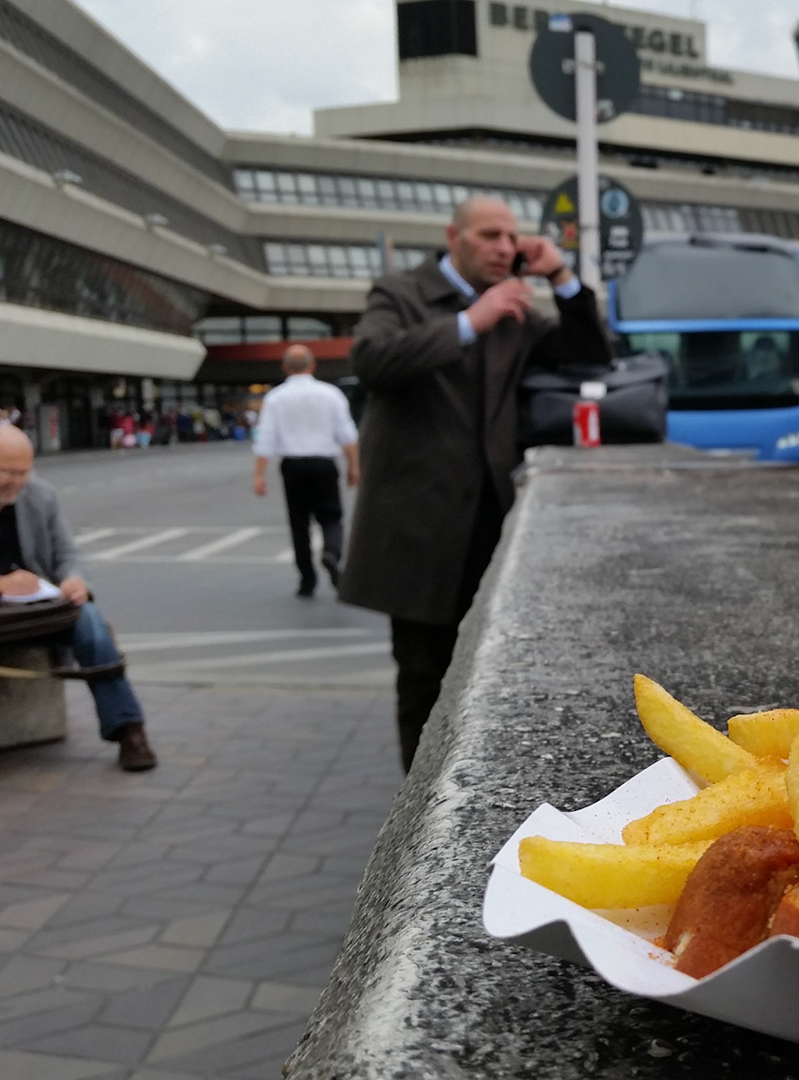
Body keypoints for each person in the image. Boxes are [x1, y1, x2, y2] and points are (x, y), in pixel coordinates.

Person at [342, 195, 608, 771]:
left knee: (489, 670)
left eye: (512, 238)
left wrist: (561, 274)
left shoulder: (513, 308)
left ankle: (471, 781)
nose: (505, 248)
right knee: (422, 675)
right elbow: (371, 357)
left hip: (491, 521)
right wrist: (469, 323)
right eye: (490, 235)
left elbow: (590, 357)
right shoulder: (403, 293)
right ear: (454, 236)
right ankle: (418, 807)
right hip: (418, 526)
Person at [0, 426, 154, 776]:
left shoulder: (42, 496)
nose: (16, 482)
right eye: (6, 472)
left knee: (89, 620)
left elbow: (68, 554)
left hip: (39, 609)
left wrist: (74, 580)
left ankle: (129, 730)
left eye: (24, 472)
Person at [253, 345, 360, 597]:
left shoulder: (275, 397)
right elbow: (347, 434)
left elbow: (266, 438)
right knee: (331, 516)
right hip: (324, 462)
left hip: (293, 465)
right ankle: (332, 553)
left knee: (299, 522)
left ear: (285, 368)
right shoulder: (330, 394)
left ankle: (306, 579)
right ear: (313, 366)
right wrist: (354, 466)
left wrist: (259, 474)